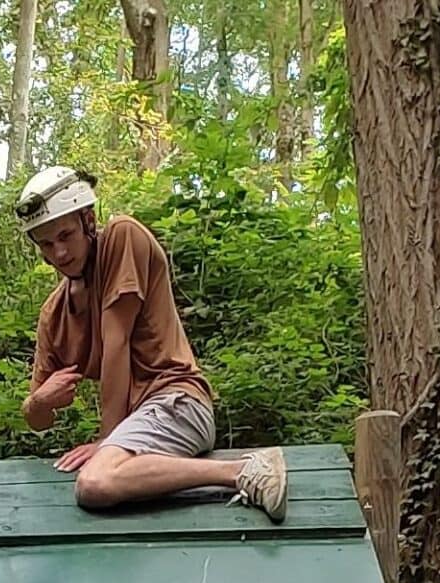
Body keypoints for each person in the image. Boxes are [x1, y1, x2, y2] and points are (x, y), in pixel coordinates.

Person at [15, 166, 287, 523]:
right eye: (47, 244)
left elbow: (117, 342)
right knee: (100, 481)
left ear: (88, 219)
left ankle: (246, 470)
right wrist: (40, 400)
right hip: (143, 425)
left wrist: (105, 442)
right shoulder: (54, 312)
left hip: (178, 400)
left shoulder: (121, 238)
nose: (60, 253)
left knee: (96, 482)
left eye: (66, 235)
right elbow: (37, 420)